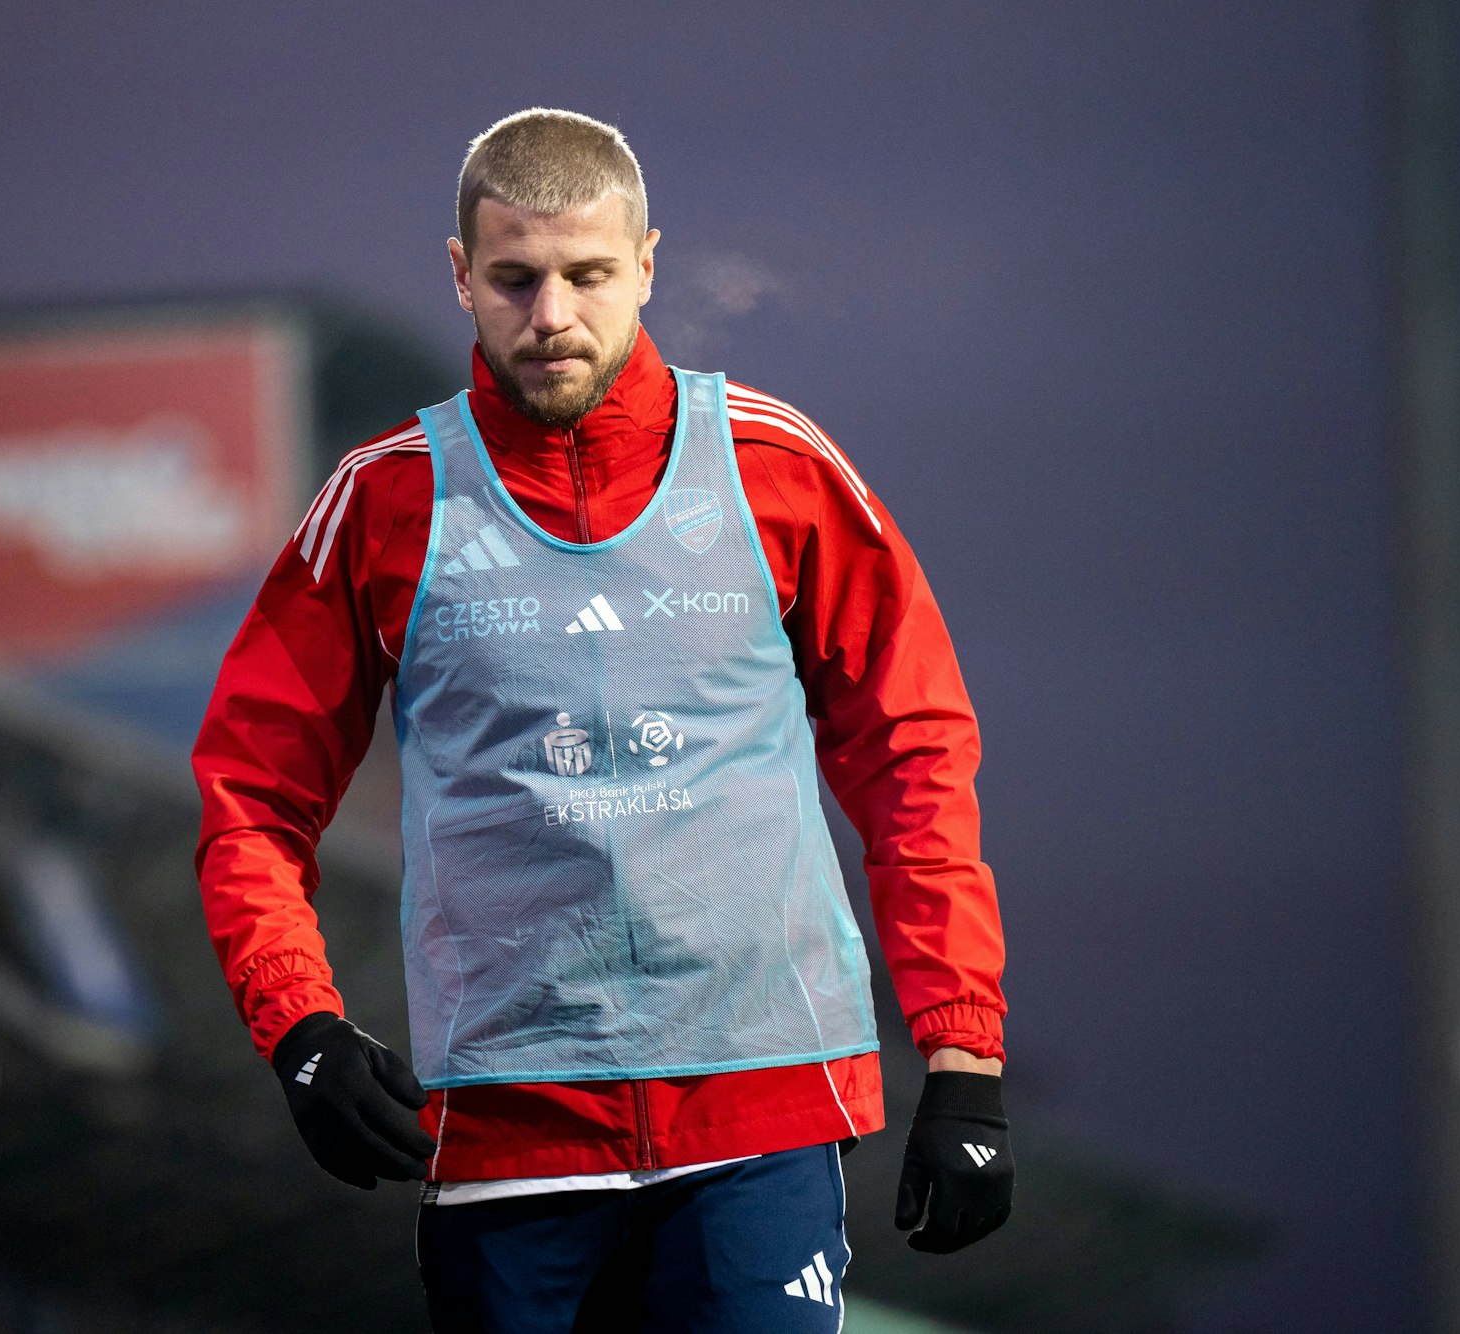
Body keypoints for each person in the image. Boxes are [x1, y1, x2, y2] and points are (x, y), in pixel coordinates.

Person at [193, 108, 1011, 1332]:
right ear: (462, 274)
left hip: (760, 1115)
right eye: (515, 279)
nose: (552, 315)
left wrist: (964, 1055)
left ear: (646, 262)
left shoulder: (777, 465)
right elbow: (251, 794)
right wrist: (300, 1025)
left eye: (586, 274)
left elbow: (915, 752)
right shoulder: (382, 503)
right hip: (509, 1134)